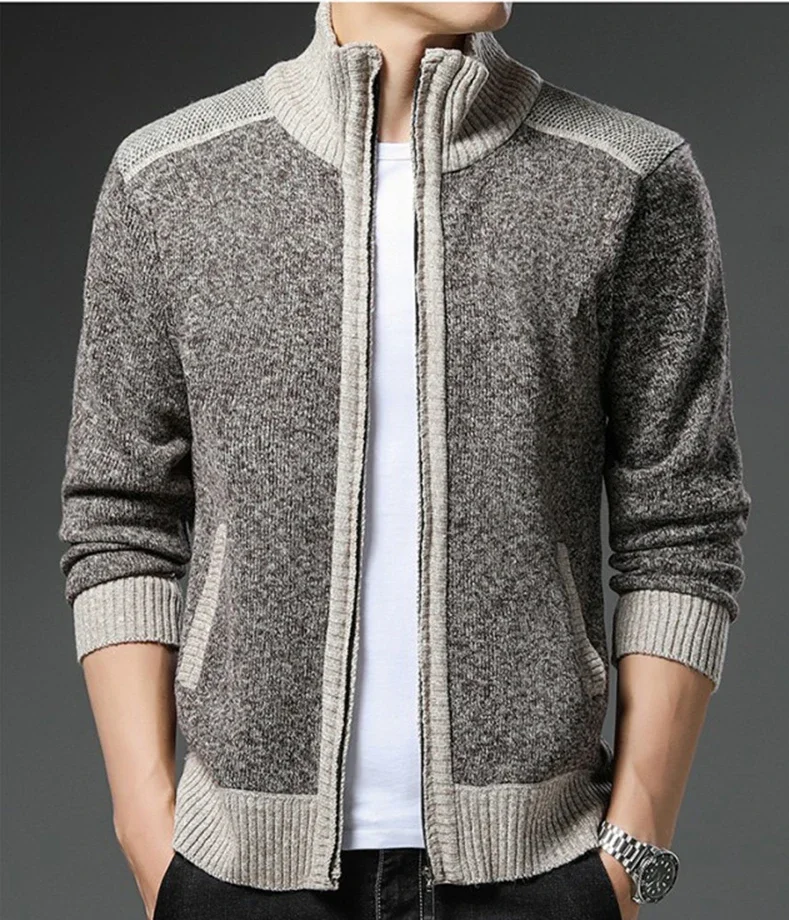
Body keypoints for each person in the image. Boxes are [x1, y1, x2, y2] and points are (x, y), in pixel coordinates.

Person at [58, 2, 752, 918]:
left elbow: (684, 525)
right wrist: (148, 831)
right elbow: (120, 516)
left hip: (541, 869)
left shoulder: (625, 177)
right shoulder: (171, 178)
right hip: (240, 874)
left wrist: (632, 850)